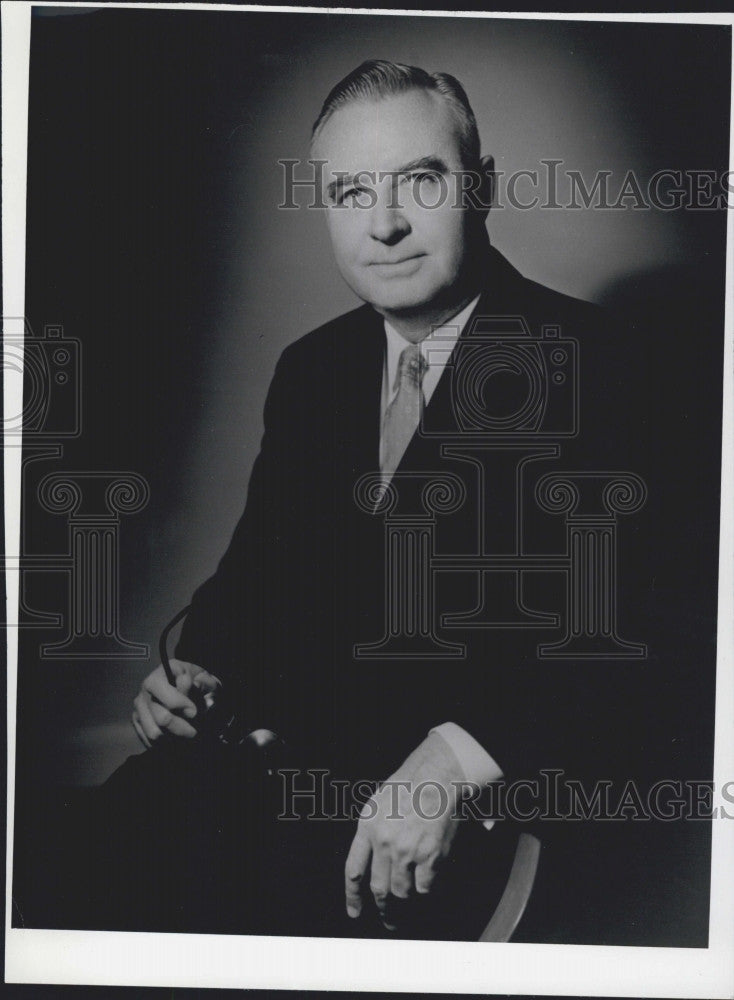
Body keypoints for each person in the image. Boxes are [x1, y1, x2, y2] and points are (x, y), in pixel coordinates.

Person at [97, 60, 701, 942]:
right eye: (349, 192)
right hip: (293, 794)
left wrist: (460, 760)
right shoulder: (314, 371)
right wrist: (197, 677)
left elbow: (650, 633)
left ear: (482, 187)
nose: (382, 225)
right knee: (81, 859)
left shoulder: (608, 361)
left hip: (491, 829)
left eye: (420, 180)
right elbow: (250, 584)